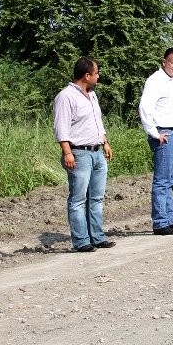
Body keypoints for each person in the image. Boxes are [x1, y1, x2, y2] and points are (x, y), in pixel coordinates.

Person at [53, 57, 116, 252]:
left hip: (97, 151)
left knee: (96, 198)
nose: (98, 76)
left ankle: (97, 237)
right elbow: (61, 127)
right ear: (87, 75)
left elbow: (97, 121)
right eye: (96, 73)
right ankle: (81, 241)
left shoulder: (92, 95)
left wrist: (105, 142)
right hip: (79, 153)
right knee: (78, 199)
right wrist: (67, 153)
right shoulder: (65, 97)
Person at [138, 48, 173, 236]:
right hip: (163, 134)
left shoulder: (172, 83)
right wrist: (154, 133)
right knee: (161, 181)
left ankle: (170, 220)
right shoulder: (155, 81)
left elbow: (171, 111)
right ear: (164, 62)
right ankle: (160, 223)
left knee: (170, 179)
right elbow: (145, 108)